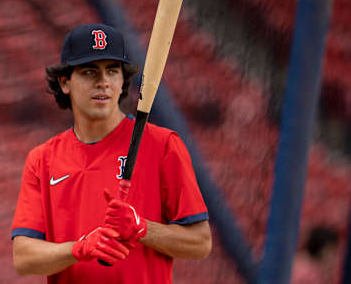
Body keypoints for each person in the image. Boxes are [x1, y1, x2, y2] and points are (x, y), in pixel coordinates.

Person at [11, 23, 212, 283]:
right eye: (89, 72)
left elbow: (200, 243)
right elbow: (24, 258)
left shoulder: (162, 146)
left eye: (112, 71)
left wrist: (141, 227)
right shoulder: (42, 159)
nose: (103, 82)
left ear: (122, 80)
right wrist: (79, 248)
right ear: (64, 82)